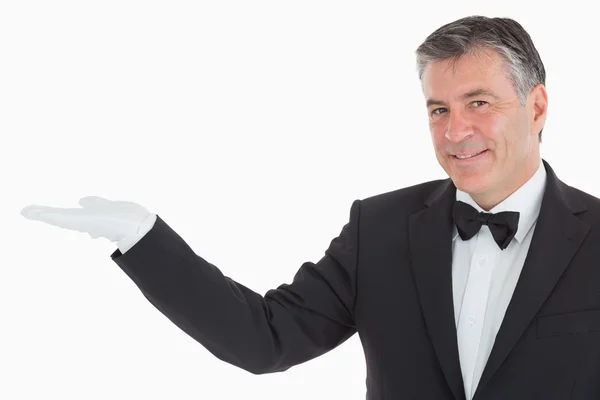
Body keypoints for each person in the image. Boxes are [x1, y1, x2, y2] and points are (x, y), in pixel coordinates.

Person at [20, 15, 600, 400]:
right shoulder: (380, 229)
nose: (456, 130)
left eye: (479, 102)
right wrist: (142, 237)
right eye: (438, 109)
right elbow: (265, 339)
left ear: (537, 107)